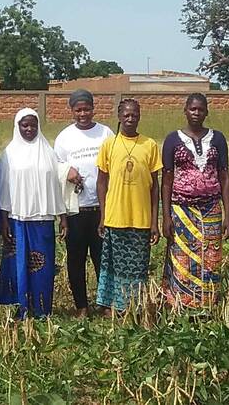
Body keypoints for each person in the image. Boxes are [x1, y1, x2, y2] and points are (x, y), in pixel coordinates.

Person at [161, 93, 229, 308]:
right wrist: (165, 216)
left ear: (206, 112)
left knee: (210, 257)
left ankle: (207, 305)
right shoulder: (173, 139)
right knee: (181, 256)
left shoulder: (217, 138)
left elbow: (224, 177)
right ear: (185, 110)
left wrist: (228, 216)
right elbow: (166, 179)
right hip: (181, 209)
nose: (196, 113)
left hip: (211, 207)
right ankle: (181, 305)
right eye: (192, 109)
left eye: (201, 109)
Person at [0, 108, 67, 318]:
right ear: (17, 127)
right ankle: (21, 309)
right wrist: (4, 220)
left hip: (43, 220)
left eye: (33, 125)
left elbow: (58, 187)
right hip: (17, 219)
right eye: (24, 125)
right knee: (18, 266)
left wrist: (63, 218)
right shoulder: (9, 155)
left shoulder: (48, 153)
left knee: (42, 267)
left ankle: (42, 309)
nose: (29, 129)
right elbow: (3, 189)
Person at [95, 98, 162, 315]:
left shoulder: (149, 145)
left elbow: (155, 187)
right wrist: (103, 216)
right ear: (119, 117)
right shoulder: (109, 144)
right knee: (112, 266)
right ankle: (111, 306)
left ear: (140, 116)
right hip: (115, 217)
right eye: (126, 115)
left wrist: (154, 221)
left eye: (134, 115)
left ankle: (134, 306)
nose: (130, 119)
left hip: (141, 219)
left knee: (137, 267)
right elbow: (101, 182)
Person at [53, 89, 114, 317]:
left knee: (103, 259)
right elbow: (55, 169)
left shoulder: (105, 133)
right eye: (78, 110)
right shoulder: (64, 138)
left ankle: (105, 304)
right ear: (71, 111)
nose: (83, 114)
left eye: (86, 109)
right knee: (76, 261)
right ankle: (81, 307)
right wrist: (66, 171)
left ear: (93, 108)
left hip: (101, 208)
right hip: (75, 209)